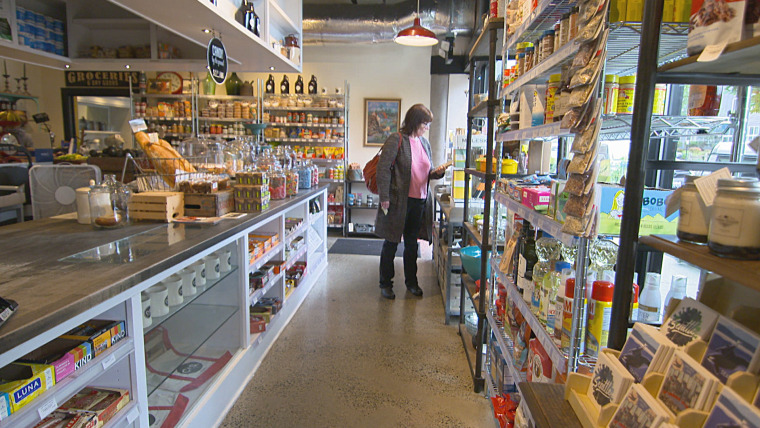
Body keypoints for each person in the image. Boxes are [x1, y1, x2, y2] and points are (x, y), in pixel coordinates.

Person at [374, 104, 450, 300]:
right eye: (425, 123)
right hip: (398, 202)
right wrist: (384, 197)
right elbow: (382, 170)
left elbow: (427, 172)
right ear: (415, 121)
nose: (427, 127)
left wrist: (438, 173)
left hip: (420, 202)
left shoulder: (425, 144)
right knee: (391, 242)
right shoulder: (396, 140)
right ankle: (386, 283)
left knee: (411, 245)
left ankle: (411, 283)